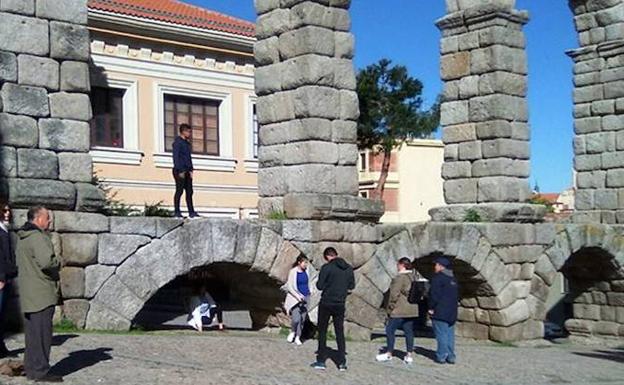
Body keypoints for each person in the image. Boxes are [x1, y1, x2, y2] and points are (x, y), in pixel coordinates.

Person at [16, 206, 62, 382]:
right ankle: (41, 371)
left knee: (32, 335)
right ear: (38, 219)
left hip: (29, 291)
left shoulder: (23, 237)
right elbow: (46, 262)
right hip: (42, 292)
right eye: (47, 218)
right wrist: (59, 261)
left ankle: (31, 368)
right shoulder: (37, 237)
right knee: (42, 335)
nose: (49, 221)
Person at [311, 247, 355, 371]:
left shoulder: (327, 268)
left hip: (326, 302)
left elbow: (319, 286)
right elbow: (352, 285)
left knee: (323, 331)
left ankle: (321, 361)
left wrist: (328, 284)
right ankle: (342, 362)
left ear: (327, 256)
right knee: (339, 332)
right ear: (336, 254)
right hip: (340, 303)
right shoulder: (348, 269)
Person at [376, 258, 421, 364]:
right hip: (412, 310)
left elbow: (394, 295)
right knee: (409, 331)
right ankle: (409, 355)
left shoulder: (400, 278)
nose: (397, 266)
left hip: (399, 310)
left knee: (390, 330)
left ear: (402, 265)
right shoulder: (414, 276)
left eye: (398, 264)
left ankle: (389, 353)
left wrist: (390, 308)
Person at [428, 256, 459, 365]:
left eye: (436, 264)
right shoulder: (453, 279)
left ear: (441, 266)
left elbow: (434, 295)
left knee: (441, 334)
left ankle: (441, 356)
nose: (434, 267)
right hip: (452, 312)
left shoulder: (438, 278)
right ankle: (451, 356)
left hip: (440, 311)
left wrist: (431, 307)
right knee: (450, 335)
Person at [0, 202, 17, 358]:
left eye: (9, 211)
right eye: (4, 211)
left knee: (3, 314)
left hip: (8, 279)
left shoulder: (7, 231)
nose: (7, 214)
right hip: (1, 279)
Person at [172, 123, 199, 219]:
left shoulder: (187, 144)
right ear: (183, 131)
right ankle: (176, 212)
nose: (189, 134)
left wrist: (191, 170)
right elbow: (176, 157)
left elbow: (188, 158)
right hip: (180, 170)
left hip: (187, 170)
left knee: (189, 192)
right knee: (179, 191)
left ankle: (191, 212)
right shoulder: (177, 143)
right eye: (188, 131)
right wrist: (180, 170)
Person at [284, 255, 310, 346]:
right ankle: (292, 331)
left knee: (302, 319)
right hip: (295, 299)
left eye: (306, 262)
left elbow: (309, 283)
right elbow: (290, 286)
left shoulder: (307, 271)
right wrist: (298, 296)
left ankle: (298, 336)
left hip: (306, 297)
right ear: (299, 262)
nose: (306, 264)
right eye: (304, 262)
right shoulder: (293, 272)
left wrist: (310, 292)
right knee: (296, 318)